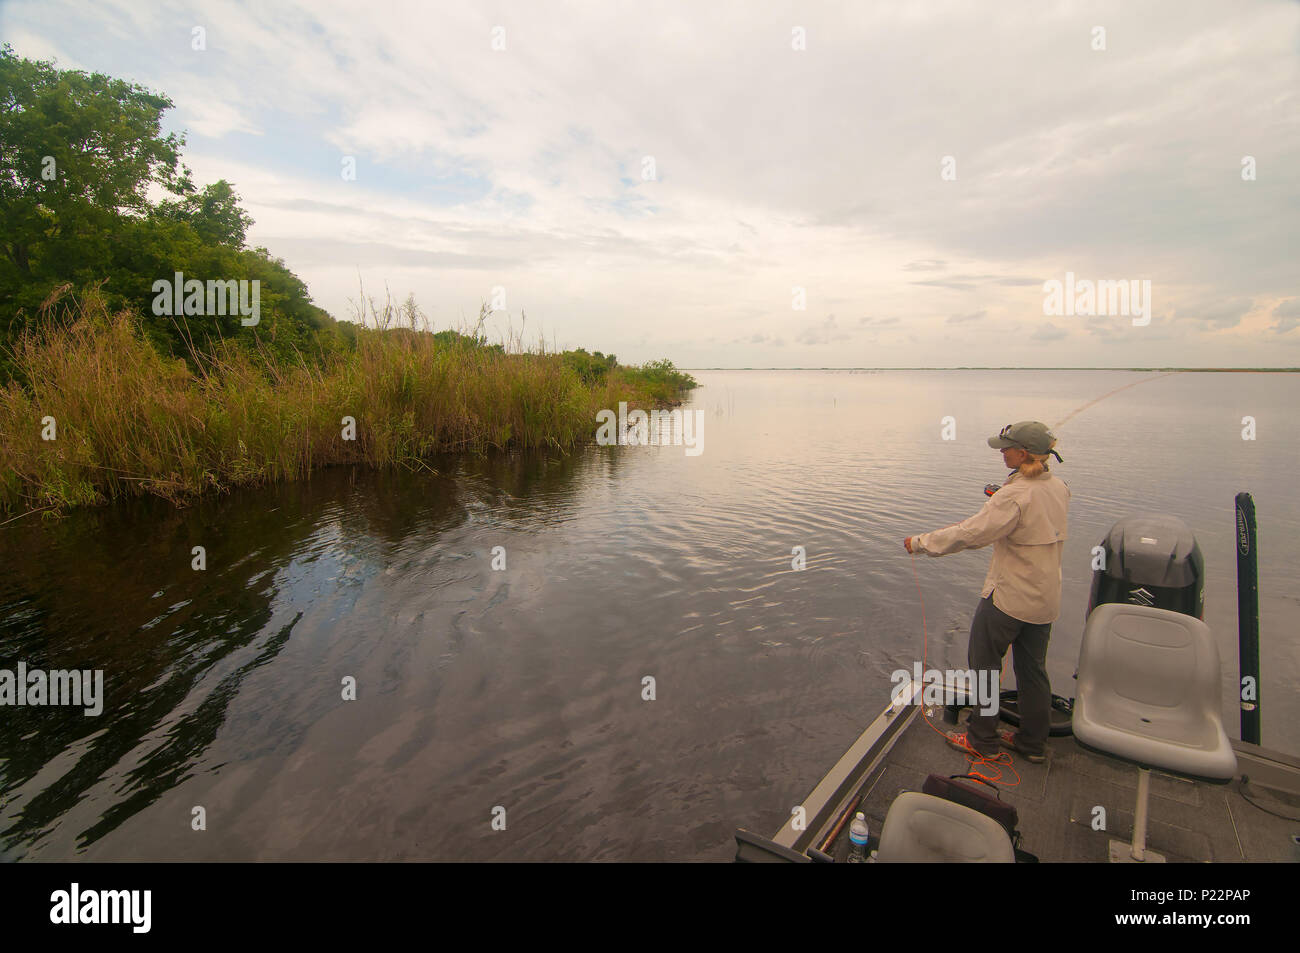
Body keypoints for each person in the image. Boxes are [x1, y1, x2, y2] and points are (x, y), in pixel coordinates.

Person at [903, 421, 1070, 763]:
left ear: (1022, 453)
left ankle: (982, 741)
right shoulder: (1059, 487)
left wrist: (919, 543)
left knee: (985, 671)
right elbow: (1030, 511)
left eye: (1006, 448)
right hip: (1045, 601)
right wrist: (1003, 500)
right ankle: (1033, 744)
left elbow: (970, 535)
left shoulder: (1014, 497)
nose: (1001, 451)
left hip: (1007, 600)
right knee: (1033, 672)